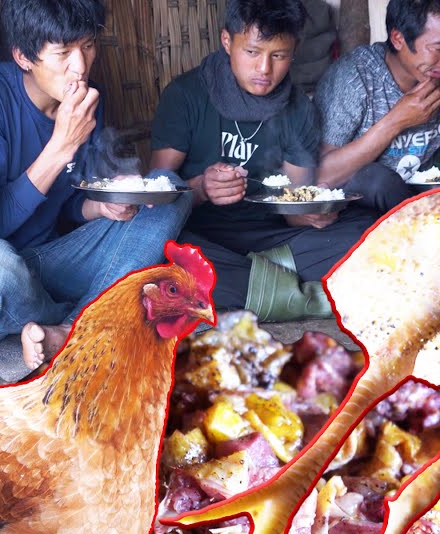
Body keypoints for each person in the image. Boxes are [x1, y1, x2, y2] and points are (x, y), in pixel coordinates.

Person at [0, 0, 192, 371]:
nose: (81, 66)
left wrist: (101, 206)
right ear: (23, 56)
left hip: (50, 261)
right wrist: (61, 146)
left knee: (168, 188)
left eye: (88, 46)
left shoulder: (87, 102)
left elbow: (70, 203)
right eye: (63, 53)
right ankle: (96, 310)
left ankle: (68, 329)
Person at [150, 0, 378, 321]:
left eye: (279, 55)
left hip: (274, 237)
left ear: (294, 50)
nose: (264, 69)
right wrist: (201, 189)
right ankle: (298, 292)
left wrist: (311, 215)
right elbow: (155, 196)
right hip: (202, 235)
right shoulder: (186, 95)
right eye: (252, 52)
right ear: (227, 41)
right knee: (162, 253)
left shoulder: (299, 109)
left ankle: (256, 283)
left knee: (368, 233)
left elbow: (294, 204)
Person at [314, 0, 440, 213]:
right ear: (398, 39)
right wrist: (396, 121)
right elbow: (321, 175)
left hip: (416, 203)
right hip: (355, 212)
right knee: (377, 180)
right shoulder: (354, 77)